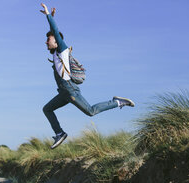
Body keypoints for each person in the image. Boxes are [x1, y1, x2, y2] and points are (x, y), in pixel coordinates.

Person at [40, 3, 135, 149]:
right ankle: (59, 133)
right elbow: (53, 31)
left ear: (57, 41)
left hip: (70, 91)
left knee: (90, 111)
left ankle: (117, 102)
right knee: (47, 109)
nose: (46, 42)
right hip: (63, 93)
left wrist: (48, 15)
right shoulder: (55, 55)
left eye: (49, 40)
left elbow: (56, 31)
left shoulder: (63, 51)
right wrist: (51, 18)